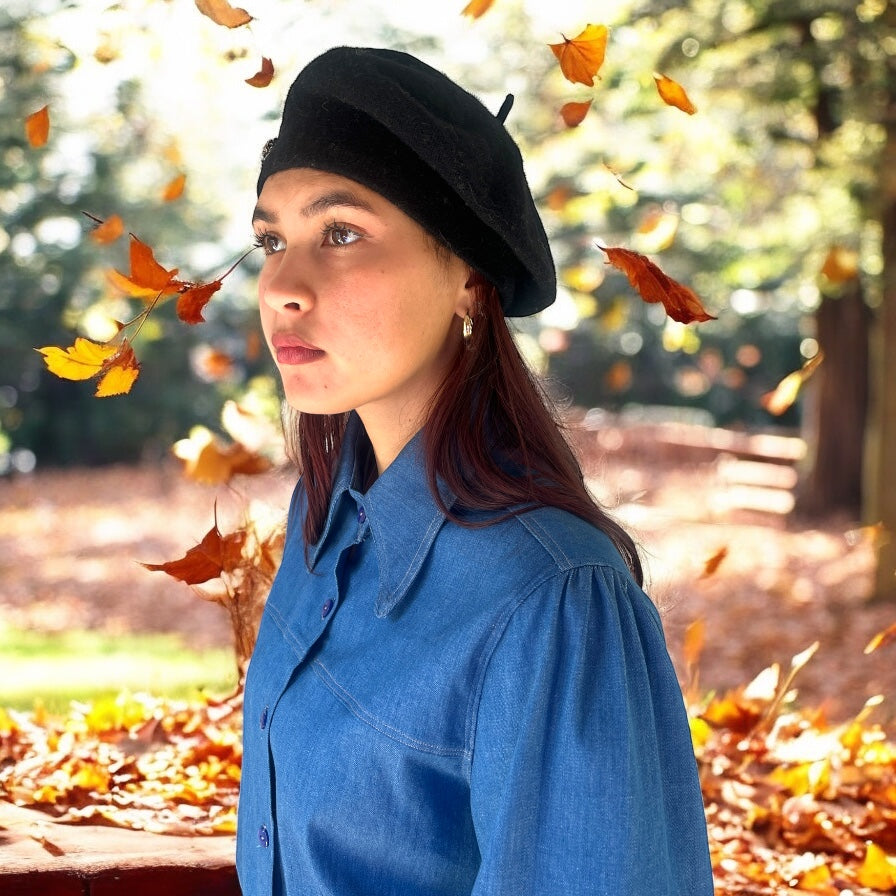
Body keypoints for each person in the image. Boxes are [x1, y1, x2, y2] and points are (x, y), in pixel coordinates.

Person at [237, 45, 714, 896]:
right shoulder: (326, 527)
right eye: (273, 239)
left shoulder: (554, 602)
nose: (283, 285)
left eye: (340, 232)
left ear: (467, 279)